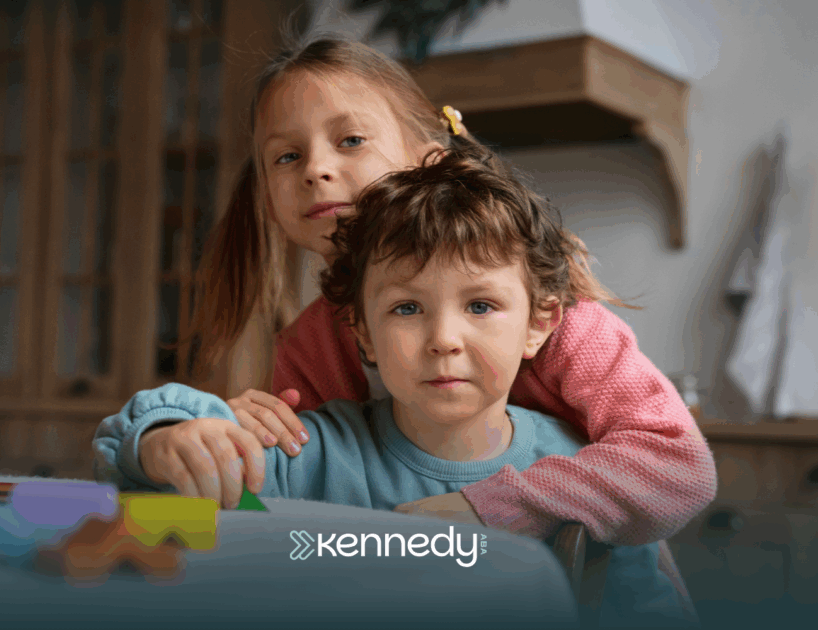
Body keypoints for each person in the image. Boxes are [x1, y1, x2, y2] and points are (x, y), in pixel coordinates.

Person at [94, 149, 692, 627]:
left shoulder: (586, 475)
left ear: (539, 325)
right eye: (407, 308)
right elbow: (147, 478)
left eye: (481, 305)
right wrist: (167, 436)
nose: (443, 339)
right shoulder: (316, 455)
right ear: (365, 335)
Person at [174, 35, 716, 546]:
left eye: (351, 140)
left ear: (429, 158)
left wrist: (492, 507)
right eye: (286, 156)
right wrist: (229, 435)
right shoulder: (306, 350)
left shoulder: (559, 316)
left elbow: (678, 465)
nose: (316, 168)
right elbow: (304, 497)